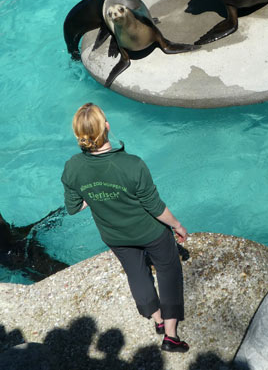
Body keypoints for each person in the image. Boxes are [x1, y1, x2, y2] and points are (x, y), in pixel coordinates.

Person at [61, 103, 190, 353]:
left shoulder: (73, 167)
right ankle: (171, 336)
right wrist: (178, 226)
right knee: (168, 271)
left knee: (136, 273)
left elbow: (73, 207)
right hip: (151, 233)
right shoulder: (132, 164)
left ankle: (159, 321)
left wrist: (95, 194)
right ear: (107, 127)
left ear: (80, 136)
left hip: (115, 236)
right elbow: (154, 207)